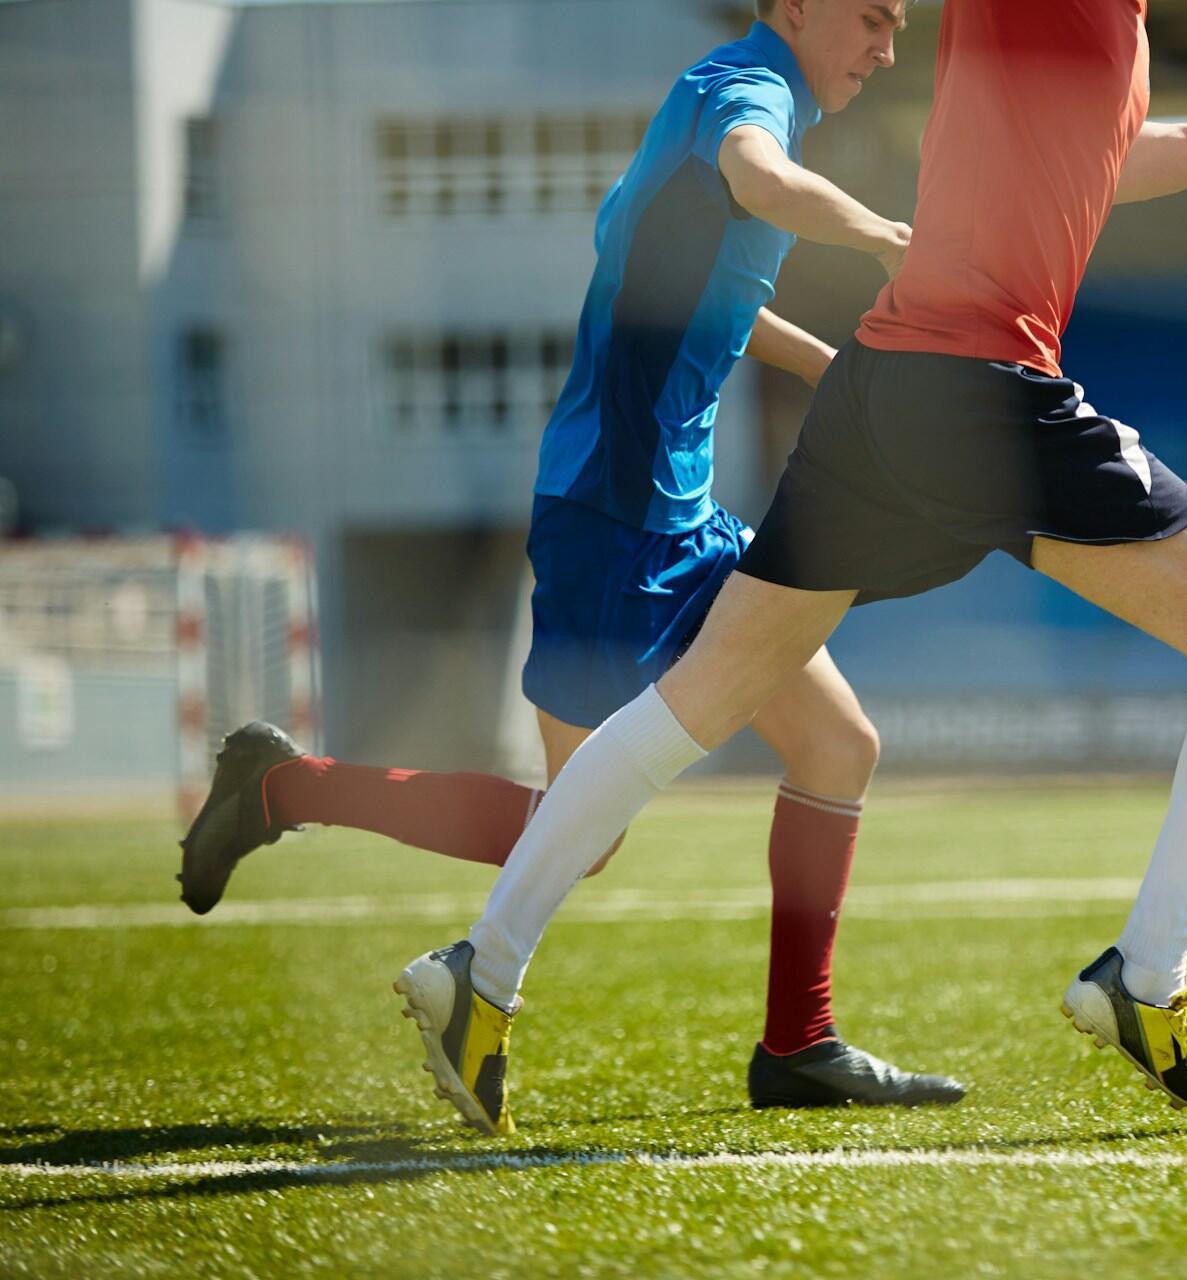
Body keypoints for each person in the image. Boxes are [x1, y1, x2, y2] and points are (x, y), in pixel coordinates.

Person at [395, 0, 1187, 1129]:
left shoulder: (1116, 32)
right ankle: (1145, 975)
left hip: (879, 391)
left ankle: (483, 969)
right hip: (984, 394)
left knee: (702, 699)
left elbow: (1112, 160)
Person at [183, 0, 966, 1133]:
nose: (889, 49)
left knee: (838, 744)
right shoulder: (745, 99)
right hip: (611, 518)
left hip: (687, 520)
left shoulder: (719, 102)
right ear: (795, 7)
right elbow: (761, 180)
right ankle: (284, 788)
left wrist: (829, 367)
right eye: (872, 18)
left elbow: (711, 295)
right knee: (577, 832)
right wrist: (893, 238)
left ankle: (799, 1042)